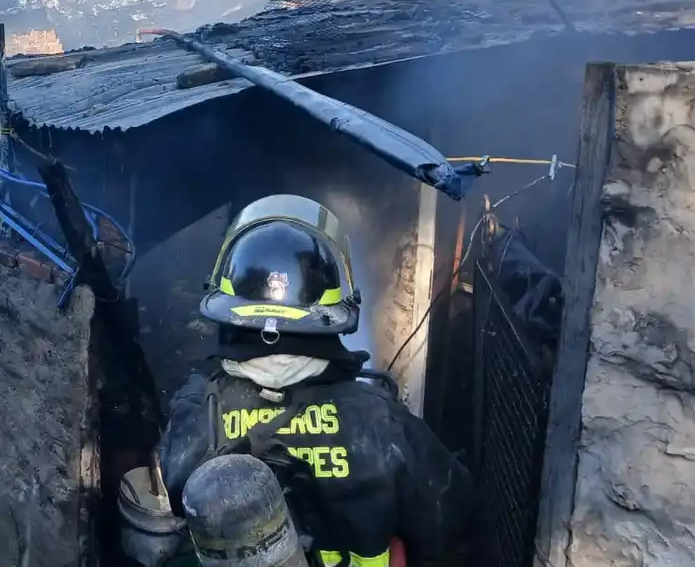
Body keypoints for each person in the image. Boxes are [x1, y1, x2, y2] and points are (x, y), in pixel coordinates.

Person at [155, 194, 472, 567]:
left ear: (228, 308)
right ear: (334, 310)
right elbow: (450, 520)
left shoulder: (195, 414)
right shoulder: (379, 423)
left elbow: (171, 508)